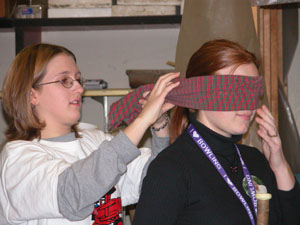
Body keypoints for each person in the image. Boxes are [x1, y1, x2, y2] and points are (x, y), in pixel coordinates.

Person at [0, 43, 180, 225]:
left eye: (78, 79)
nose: (79, 88)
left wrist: (160, 124)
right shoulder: (17, 160)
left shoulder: (96, 140)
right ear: (32, 95)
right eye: (65, 80)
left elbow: (157, 181)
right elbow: (73, 194)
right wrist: (142, 120)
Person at [132, 39, 300, 225]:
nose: (247, 103)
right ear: (200, 95)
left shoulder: (255, 160)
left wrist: (279, 165)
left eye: (252, 92)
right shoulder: (171, 170)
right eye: (235, 90)